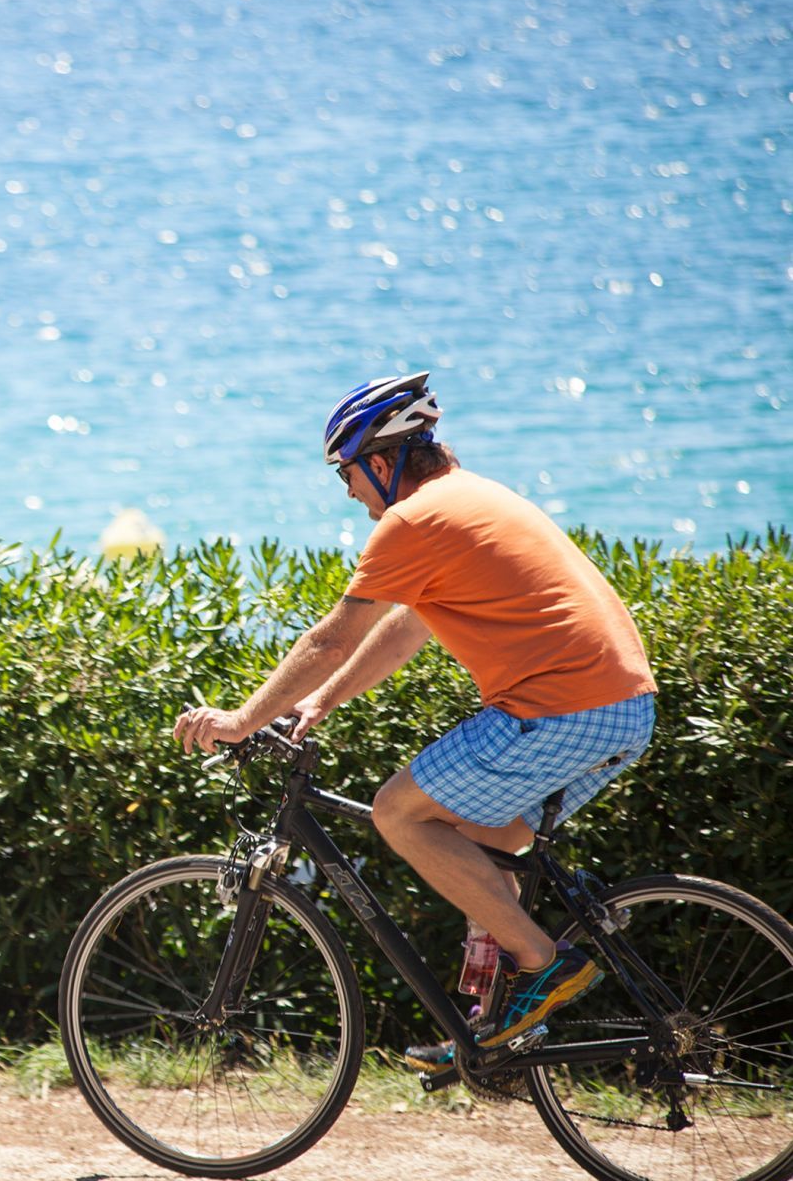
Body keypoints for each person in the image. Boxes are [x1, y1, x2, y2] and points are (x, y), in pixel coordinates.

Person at [171, 372, 657, 1067]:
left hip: (561, 709)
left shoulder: (414, 519)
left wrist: (241, 720)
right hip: (620, 709)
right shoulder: (471, 499)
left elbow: (327, 639)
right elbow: (407, 626)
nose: (347, 493)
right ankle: (497, 1032)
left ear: (380, 461)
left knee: (398, 813)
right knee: (483, 840)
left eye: (345, 473)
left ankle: (541, 960)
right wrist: (323, 699)